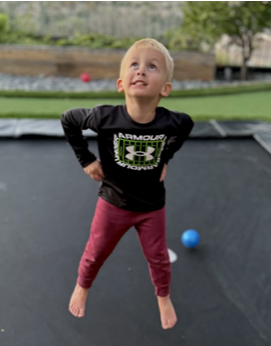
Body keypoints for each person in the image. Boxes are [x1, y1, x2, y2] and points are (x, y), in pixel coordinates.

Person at [60, 38, 194, 330]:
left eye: (152, 66)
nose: (141, 71)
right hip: (113, 201)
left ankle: (163, 296)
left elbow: (186, 126)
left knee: (158, 258)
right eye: (134, 65)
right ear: (121, 83)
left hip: (151, 206)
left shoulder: (172, 122)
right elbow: (69, 119)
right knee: (96, 251)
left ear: (165, 89)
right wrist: (86, 160)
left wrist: (165, 156)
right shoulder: (105, 117)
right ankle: (82, 286)